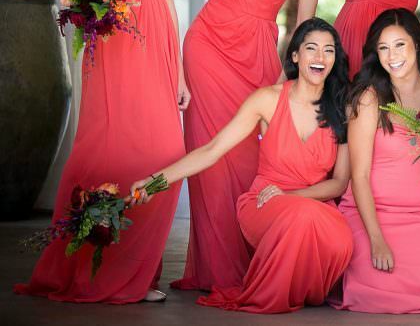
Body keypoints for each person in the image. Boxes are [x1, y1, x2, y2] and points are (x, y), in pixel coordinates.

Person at [16, 0, 186, 303]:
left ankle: (136, 271)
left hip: (158, 48)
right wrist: (106, 12)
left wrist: (179, 69)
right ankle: (94, 271)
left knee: (163, 156)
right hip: (115, 47)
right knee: (110, 153)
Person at [175, 0, 322, 291]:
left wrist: (285, 79)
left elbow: (305, 28)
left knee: (244, 160)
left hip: (258, 56)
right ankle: (213, 270)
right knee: (207, 158)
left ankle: (244, 260)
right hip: (208, 45)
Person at [132, 18, 352, 314]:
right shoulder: (267, 100)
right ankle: (275, 293)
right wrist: (154, 181)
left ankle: (300, 288)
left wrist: (292, 197)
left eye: (328, 51)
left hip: (314, 205)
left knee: (339, 239)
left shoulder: (341, 107)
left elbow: (339, 183)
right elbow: (212, 150)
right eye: (311, 49)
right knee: (301, 220)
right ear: (296, 55)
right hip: (263, 203)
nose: (320, 58)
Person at [336, 8, 420, 314]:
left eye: (399, 45)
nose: (392, 56)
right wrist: (376, 240)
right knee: (376, 294)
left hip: (419, 215)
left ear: (417, 45)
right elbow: (360, 176)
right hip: (370, 215)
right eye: (383, 48)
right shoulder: (369, 98)